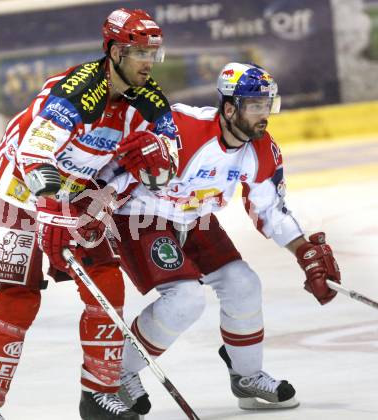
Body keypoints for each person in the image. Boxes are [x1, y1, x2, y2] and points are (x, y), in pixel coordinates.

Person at [0, 7, 178, 420]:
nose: (148, 63)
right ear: (113, 51)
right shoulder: (78, 91)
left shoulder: (150, 104)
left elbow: (160, 169)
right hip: (17, 192)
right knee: (18, 297)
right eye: (138, 53)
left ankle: (97, 396)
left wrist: (113, 195)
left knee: (108, 284)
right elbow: (32, 153)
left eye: (153, 54)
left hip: (78, 193)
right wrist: (53, 211)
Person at [110, 62, 341, 415]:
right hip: (141, 216)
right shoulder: (180, 126)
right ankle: (118, 373)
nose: (264, 116)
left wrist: (304, 250)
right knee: (185, 299)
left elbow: (270, 210)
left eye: (268, 105)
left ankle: (246, 376)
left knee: (243, 283)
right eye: (256, 106)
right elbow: (118, 159)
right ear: (230, 108)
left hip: (194, 218)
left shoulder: (262, 150)